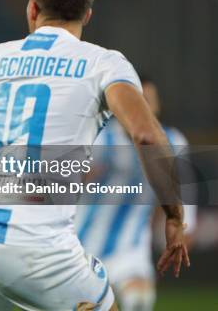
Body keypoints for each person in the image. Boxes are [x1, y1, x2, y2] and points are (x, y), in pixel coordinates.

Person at [0, 0, 189, 311]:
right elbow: (146, 135)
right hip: (38, 249)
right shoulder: (103, 63)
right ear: (87, 15)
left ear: (32, 7)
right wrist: (174, 215)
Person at [76, 77, 197, 311]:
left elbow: (183, 199)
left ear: (158, 105)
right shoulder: (98, 138)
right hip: (83, 248)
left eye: (148, 101)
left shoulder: (173, 143)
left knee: (139, 300)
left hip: (130, 252)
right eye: (136, 101)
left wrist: (180, 227)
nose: (142, 108)